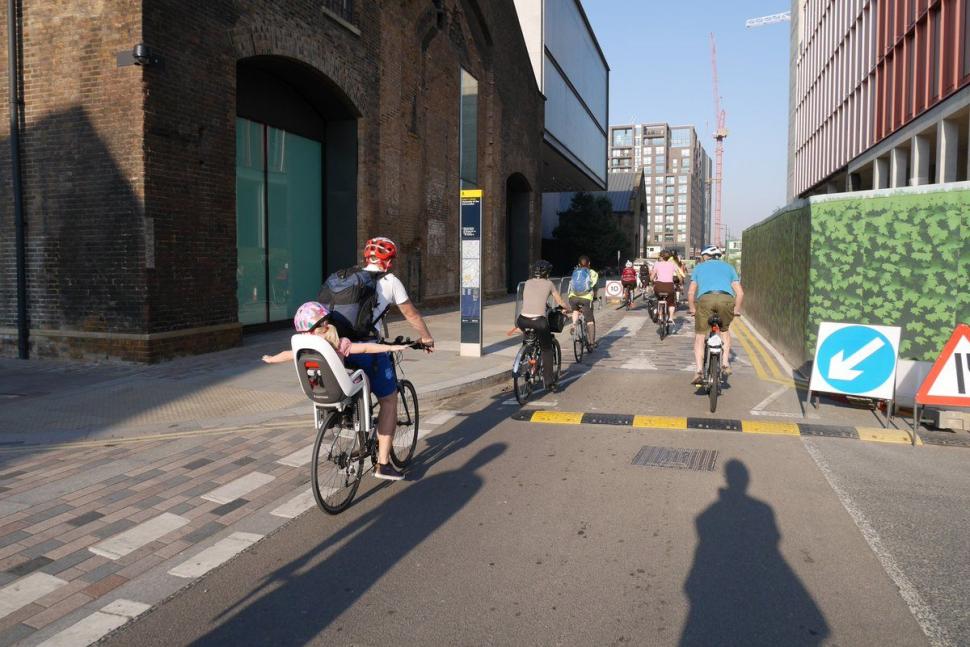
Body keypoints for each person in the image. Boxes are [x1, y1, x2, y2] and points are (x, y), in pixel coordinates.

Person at [262, 302, 411, 364]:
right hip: (340, 388)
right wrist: (391, 348)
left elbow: (286, 354)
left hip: (315, 389)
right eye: (325, 321)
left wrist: (270, 359)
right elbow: (366, 348)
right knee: (363, 379)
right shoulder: (338, 344)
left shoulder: (304, 348)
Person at [688, 245, 744, 385]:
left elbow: (690, 293)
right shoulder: (729, 267)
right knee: (724, 331)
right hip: (726, 300)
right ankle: (725, 363)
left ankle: (699, 370)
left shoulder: (699, 268)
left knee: (700, 336)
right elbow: (740, 293)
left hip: (705, 300)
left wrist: (692, 308)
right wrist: (735, 310)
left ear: (706, 256)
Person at [516, 260, 569, 392]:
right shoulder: (549, 284)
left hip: (522, 320)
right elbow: (559, 301)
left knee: (529, 339)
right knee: (547, 349)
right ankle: (549, 382)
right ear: (547, 273)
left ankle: (528, 353)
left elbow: (531, 298)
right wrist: (566, 308)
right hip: (538, 321)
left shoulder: (527, 282)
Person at [567, 255, 599, 348]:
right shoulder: (592, 273)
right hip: (586, 298)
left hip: (572, 297)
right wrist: (595, 297)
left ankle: (573, 325)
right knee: (589, 321)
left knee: (575, 311)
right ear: (589, 264)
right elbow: (595, 287)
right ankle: (592, 343)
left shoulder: (575, 271)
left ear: (578, 264)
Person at [650, 250, 678, 326]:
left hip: (659, 286)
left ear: (661, 256)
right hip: (669, 286)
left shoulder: (657, 264)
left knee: (659, 299)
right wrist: (680, 281)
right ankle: (670, 318)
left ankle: (660, 315)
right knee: (671, 302)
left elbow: (652, 277)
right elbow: (679, 275)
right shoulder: (672, 264)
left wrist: (652, 281)